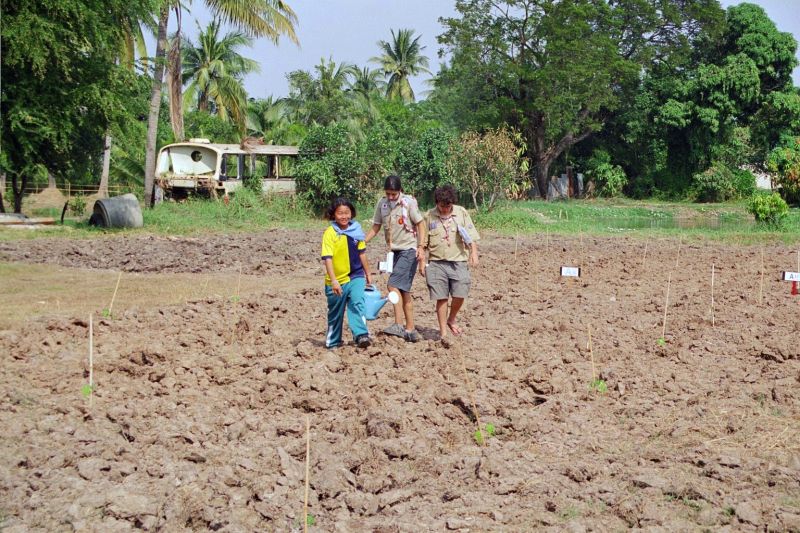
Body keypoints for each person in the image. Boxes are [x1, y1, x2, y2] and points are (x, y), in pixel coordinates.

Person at [364, 175, 426, 342]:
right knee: (403, 291)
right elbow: (376, 226)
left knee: (392, 285)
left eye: (394, 194)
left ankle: (398, 325)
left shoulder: (408, 203)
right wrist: (363, 242)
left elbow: (421, 224)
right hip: (394, 252)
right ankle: (410, 329)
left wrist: (421, 247)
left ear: (400, 191)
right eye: (388, 194)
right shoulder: (382, 204)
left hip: (409, 250)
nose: (391, 197)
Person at [419, 184, 480, 344]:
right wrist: (422, 261)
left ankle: (451, 318)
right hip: (436, 262)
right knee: (441, 297)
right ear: (437, 203)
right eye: (442, 206)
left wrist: (473, 252)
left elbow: (470, 235)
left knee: (460, 293)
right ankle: (444, 333)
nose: (445, 209)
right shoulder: (429, 216)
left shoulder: (461, 213)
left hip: (458, 260)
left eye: (448, 206)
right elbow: (422, 242)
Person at [321, 197, 373, 349]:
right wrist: (334, 281)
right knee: (336, 313)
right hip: (337, 280)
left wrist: (368, 273)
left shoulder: (356, 230)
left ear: (352, 213)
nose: (344, 216)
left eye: (347, 213)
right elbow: (328, 258)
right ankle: (333, 342)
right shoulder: (330, 233)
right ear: (334, 215)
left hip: (356, 275)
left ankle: (361, 335)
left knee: (357, 302)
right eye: (340, 213)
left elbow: (362, 253)